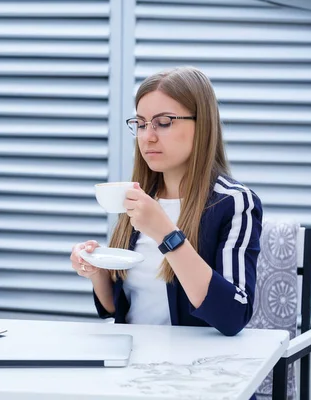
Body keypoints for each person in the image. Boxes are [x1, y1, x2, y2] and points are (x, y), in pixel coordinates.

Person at [70, 66, 263, 337]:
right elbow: (118, 309)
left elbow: (233, 315)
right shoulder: (140, 195)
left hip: (196, 365)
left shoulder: (234, 203)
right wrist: (97, 272)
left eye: (163, 122)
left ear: (202, 124)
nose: (148, 136)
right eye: (140, 123)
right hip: (132, 357)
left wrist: (166, 233)